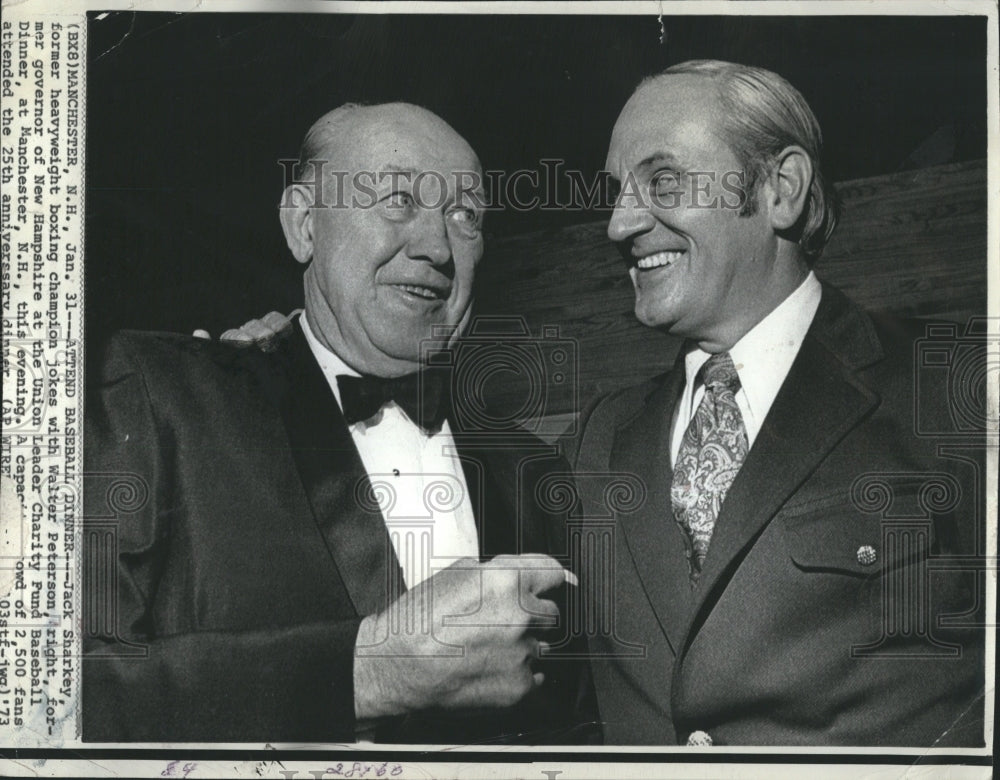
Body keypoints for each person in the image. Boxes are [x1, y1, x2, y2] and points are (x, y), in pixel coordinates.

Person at [83, 103, 593, 744]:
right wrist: (369, 673)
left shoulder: (533, 469)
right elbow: (50, 696)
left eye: (465, 215)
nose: (437, 247)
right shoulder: (158, 397)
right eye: (398, 198)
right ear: (303, 226)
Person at [571, 60, 985, 746]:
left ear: (781, 189)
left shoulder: (959, 389)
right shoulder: (598, 438)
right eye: (617, 192)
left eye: (663, 182)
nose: (619, 224)